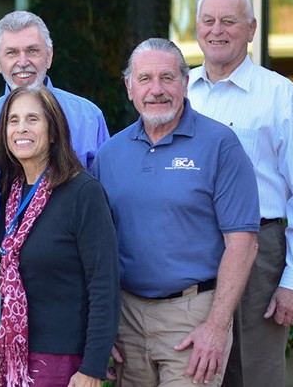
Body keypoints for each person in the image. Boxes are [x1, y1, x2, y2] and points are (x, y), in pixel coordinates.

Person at [93, 38, 260, 386]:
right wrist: (101, 330)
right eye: (145, 79)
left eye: (167, 78)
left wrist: (216, 325)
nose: (156, 90)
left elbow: (243, 243)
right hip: (126, 317)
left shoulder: (219, 144)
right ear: (129, 88)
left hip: (192, 316)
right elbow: (96, 248)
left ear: (185, 83)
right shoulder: (110, 153)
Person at [187, 0, 293, 387]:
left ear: (251, 29)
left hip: (259, 253)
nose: (217, 30)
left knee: (254, 375)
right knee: (191, 372)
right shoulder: (179, 92)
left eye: (229, 21)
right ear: (196, 28)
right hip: (188, 250)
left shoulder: (279, 95)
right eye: (208, 21)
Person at [0, 86, 119, 387]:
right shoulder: (9, 195)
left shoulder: (83, 193)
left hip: (62, 360)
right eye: (13, 120)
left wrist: (93, 367)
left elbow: (104, 285)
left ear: (54, 131)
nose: (21, 128)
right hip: (9, 356)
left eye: (33, 119)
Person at [0, 10, 109, 171]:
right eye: (12, 53)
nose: (23, 62)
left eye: (32, 51)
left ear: (49, 56)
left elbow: (104, 188)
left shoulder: (88, 117)